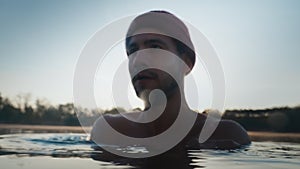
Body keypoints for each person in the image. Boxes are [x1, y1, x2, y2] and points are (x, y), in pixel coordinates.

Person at [91, 10, 250, 154]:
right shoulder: (109, 131)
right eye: (132, 51)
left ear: (186, 62)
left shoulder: (225, 134)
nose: (138, 60)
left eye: (155, 47)